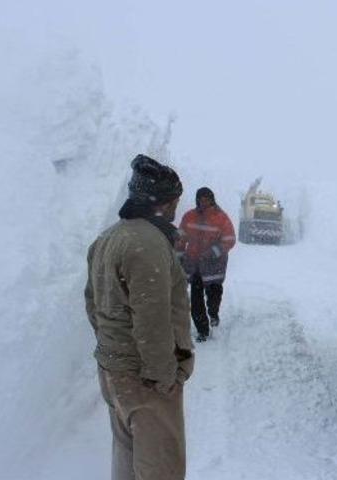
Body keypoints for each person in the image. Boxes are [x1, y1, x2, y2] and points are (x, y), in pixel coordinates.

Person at [84, 154, 194, 480]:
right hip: (144, 378)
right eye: (175, 199)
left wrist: (112, 350)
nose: (177, 207)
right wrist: (162, 377)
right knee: (161, 468)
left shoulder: (108, 237)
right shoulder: (147, 243)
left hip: (114, 370)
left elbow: (92, 303)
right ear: (163, 201)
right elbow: (152, 318)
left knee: (127, 460)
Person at [178, 186, 236, 342]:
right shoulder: (189, 216)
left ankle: (213, 314)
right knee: (196, 300)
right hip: (195, 266)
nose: (203, 202)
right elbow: (180, 239)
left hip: (214, 267)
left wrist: (213, 252)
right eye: (200, 199)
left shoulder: (221, 218)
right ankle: (202, 331)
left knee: (214, 296)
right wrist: (179, 257)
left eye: (207, 199)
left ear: (212, 199)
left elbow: (230, 239)